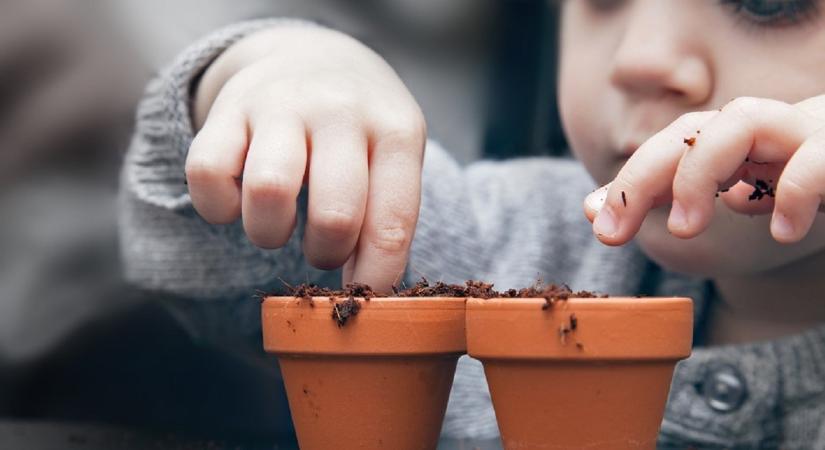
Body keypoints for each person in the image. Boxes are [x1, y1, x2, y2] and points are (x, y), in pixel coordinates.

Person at [120, 1, 825, 448]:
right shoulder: (509, 240)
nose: (637, 59)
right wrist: (275, 69)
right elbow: (209, 259)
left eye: (769, 4)